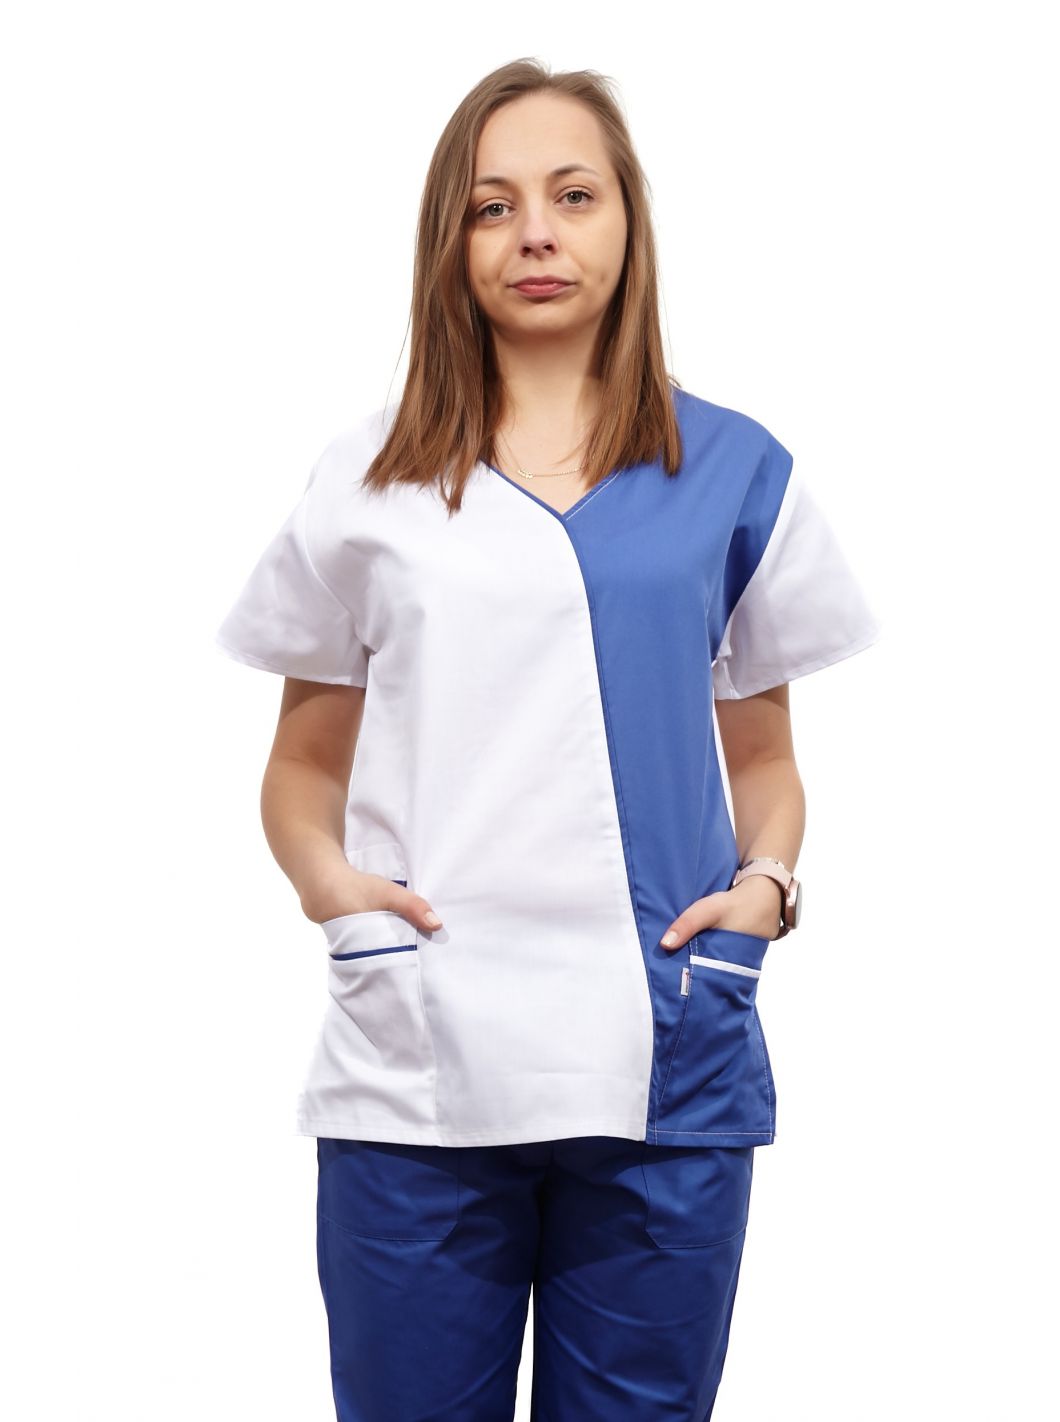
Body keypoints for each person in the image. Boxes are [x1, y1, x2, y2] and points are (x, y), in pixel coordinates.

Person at [214, 58, 883, 1422]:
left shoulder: (732, 470)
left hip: (666, 1048)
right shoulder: (368, 481)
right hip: (421, 1053)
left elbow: (762, 756)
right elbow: (301, 766)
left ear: (627, 220)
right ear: (449, 242)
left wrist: (768, 889)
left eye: (573, 196)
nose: (535, 233)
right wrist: (336, 895)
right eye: (493, 205)